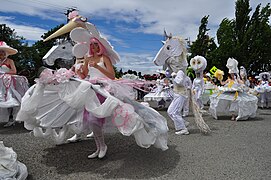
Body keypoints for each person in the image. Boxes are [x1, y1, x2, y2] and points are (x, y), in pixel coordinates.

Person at [0, 41, 26, 127]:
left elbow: (14, 71)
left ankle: (11, 118)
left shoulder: (9, 61)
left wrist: (4, 73)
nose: (1, 54)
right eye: (0, 52)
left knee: (9, 99)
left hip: (7, 81)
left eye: (3, 52)